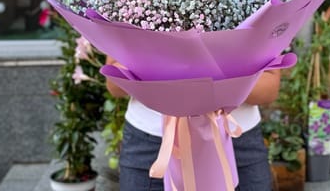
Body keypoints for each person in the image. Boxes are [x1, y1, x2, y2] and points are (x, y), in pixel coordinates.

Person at [106, 55, 280, 191]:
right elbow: (114, 83)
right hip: (151, 145)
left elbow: (269, 89)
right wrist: (168, 62)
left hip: (237, 143)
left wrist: (208, 75)